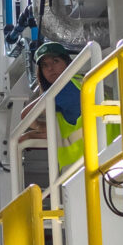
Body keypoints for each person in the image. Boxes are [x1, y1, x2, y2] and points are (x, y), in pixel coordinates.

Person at [31, 39, 84, 168]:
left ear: (67, 63)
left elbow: (26, 115)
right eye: (44, 65)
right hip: (98, 160)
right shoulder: (82, 83)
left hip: (87, 166)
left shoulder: (66, 88)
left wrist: (36, 128)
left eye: (55, 61)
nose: (50, 68)